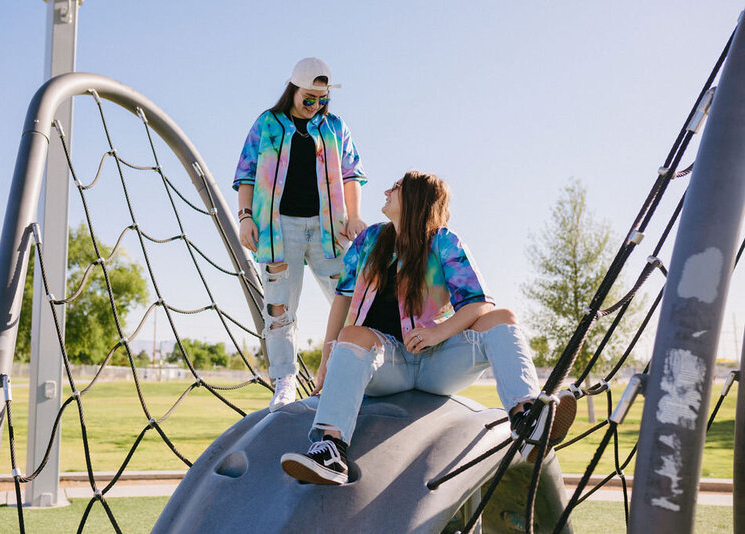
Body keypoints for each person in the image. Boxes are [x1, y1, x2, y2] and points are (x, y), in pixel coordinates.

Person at [280, 170, 577, 485]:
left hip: (438, 362)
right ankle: (331, 450)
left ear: (415, 199)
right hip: (385, 364)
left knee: (503, 317)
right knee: (350, 335)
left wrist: (438, 333)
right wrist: (329, 357)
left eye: (396, 187)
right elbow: (342, 298)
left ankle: (528, 419)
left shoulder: (444, 242)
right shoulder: (369, 240)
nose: (386, 191)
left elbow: (479, 304)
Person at [233, 57, 368, 411]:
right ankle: (284, 380)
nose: (315, 106)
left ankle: (344, 373)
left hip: (329, 230)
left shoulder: (336, 128)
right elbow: (246, 174)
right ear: (293, 90)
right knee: (279, 307)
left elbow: (352, 175)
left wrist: (354, 217)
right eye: (309, 98)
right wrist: (245, 217)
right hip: (279, 230)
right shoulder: (267, 124)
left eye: (322, 99)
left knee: (353, 302)